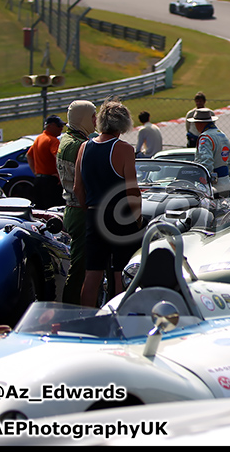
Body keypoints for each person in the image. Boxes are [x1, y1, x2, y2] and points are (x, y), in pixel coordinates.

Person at [74, 98, 142, 307]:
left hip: (94, 214)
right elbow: (132, 190)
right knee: (121, 272)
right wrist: (137, 217)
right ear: (123, 124)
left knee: (92, 274)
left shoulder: (84, 148)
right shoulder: (123, 149)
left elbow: (78, 188)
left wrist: (89, 209)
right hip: (119, 215)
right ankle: (120, 316)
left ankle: (87, 318)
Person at [56, 100, 97, 305]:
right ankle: (71, 307)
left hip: (71, 207)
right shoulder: (79, 145)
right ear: (83, 118)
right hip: (80, 209)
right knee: (80, 265)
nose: (96, 121)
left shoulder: (67, 139)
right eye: (92, 116)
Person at [188, 107, 230, 198]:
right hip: (226, 181)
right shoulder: (222, 135)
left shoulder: (205, 137)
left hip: (213, 186)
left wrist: (202, 182)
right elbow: (228, 161)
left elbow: (206, 163)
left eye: (195, 123)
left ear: (200, 123)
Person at [26, 115, 66, 210]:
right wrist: (62, 175)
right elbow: (58, 157)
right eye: (59, 126)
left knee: (40, 210)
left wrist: (35, 172)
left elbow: (29, 155)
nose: (61, 128)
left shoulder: (39, 138)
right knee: (54, 209)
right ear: (50, 126)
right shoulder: (53, 140)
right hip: (51, 182)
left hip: (39, 180)